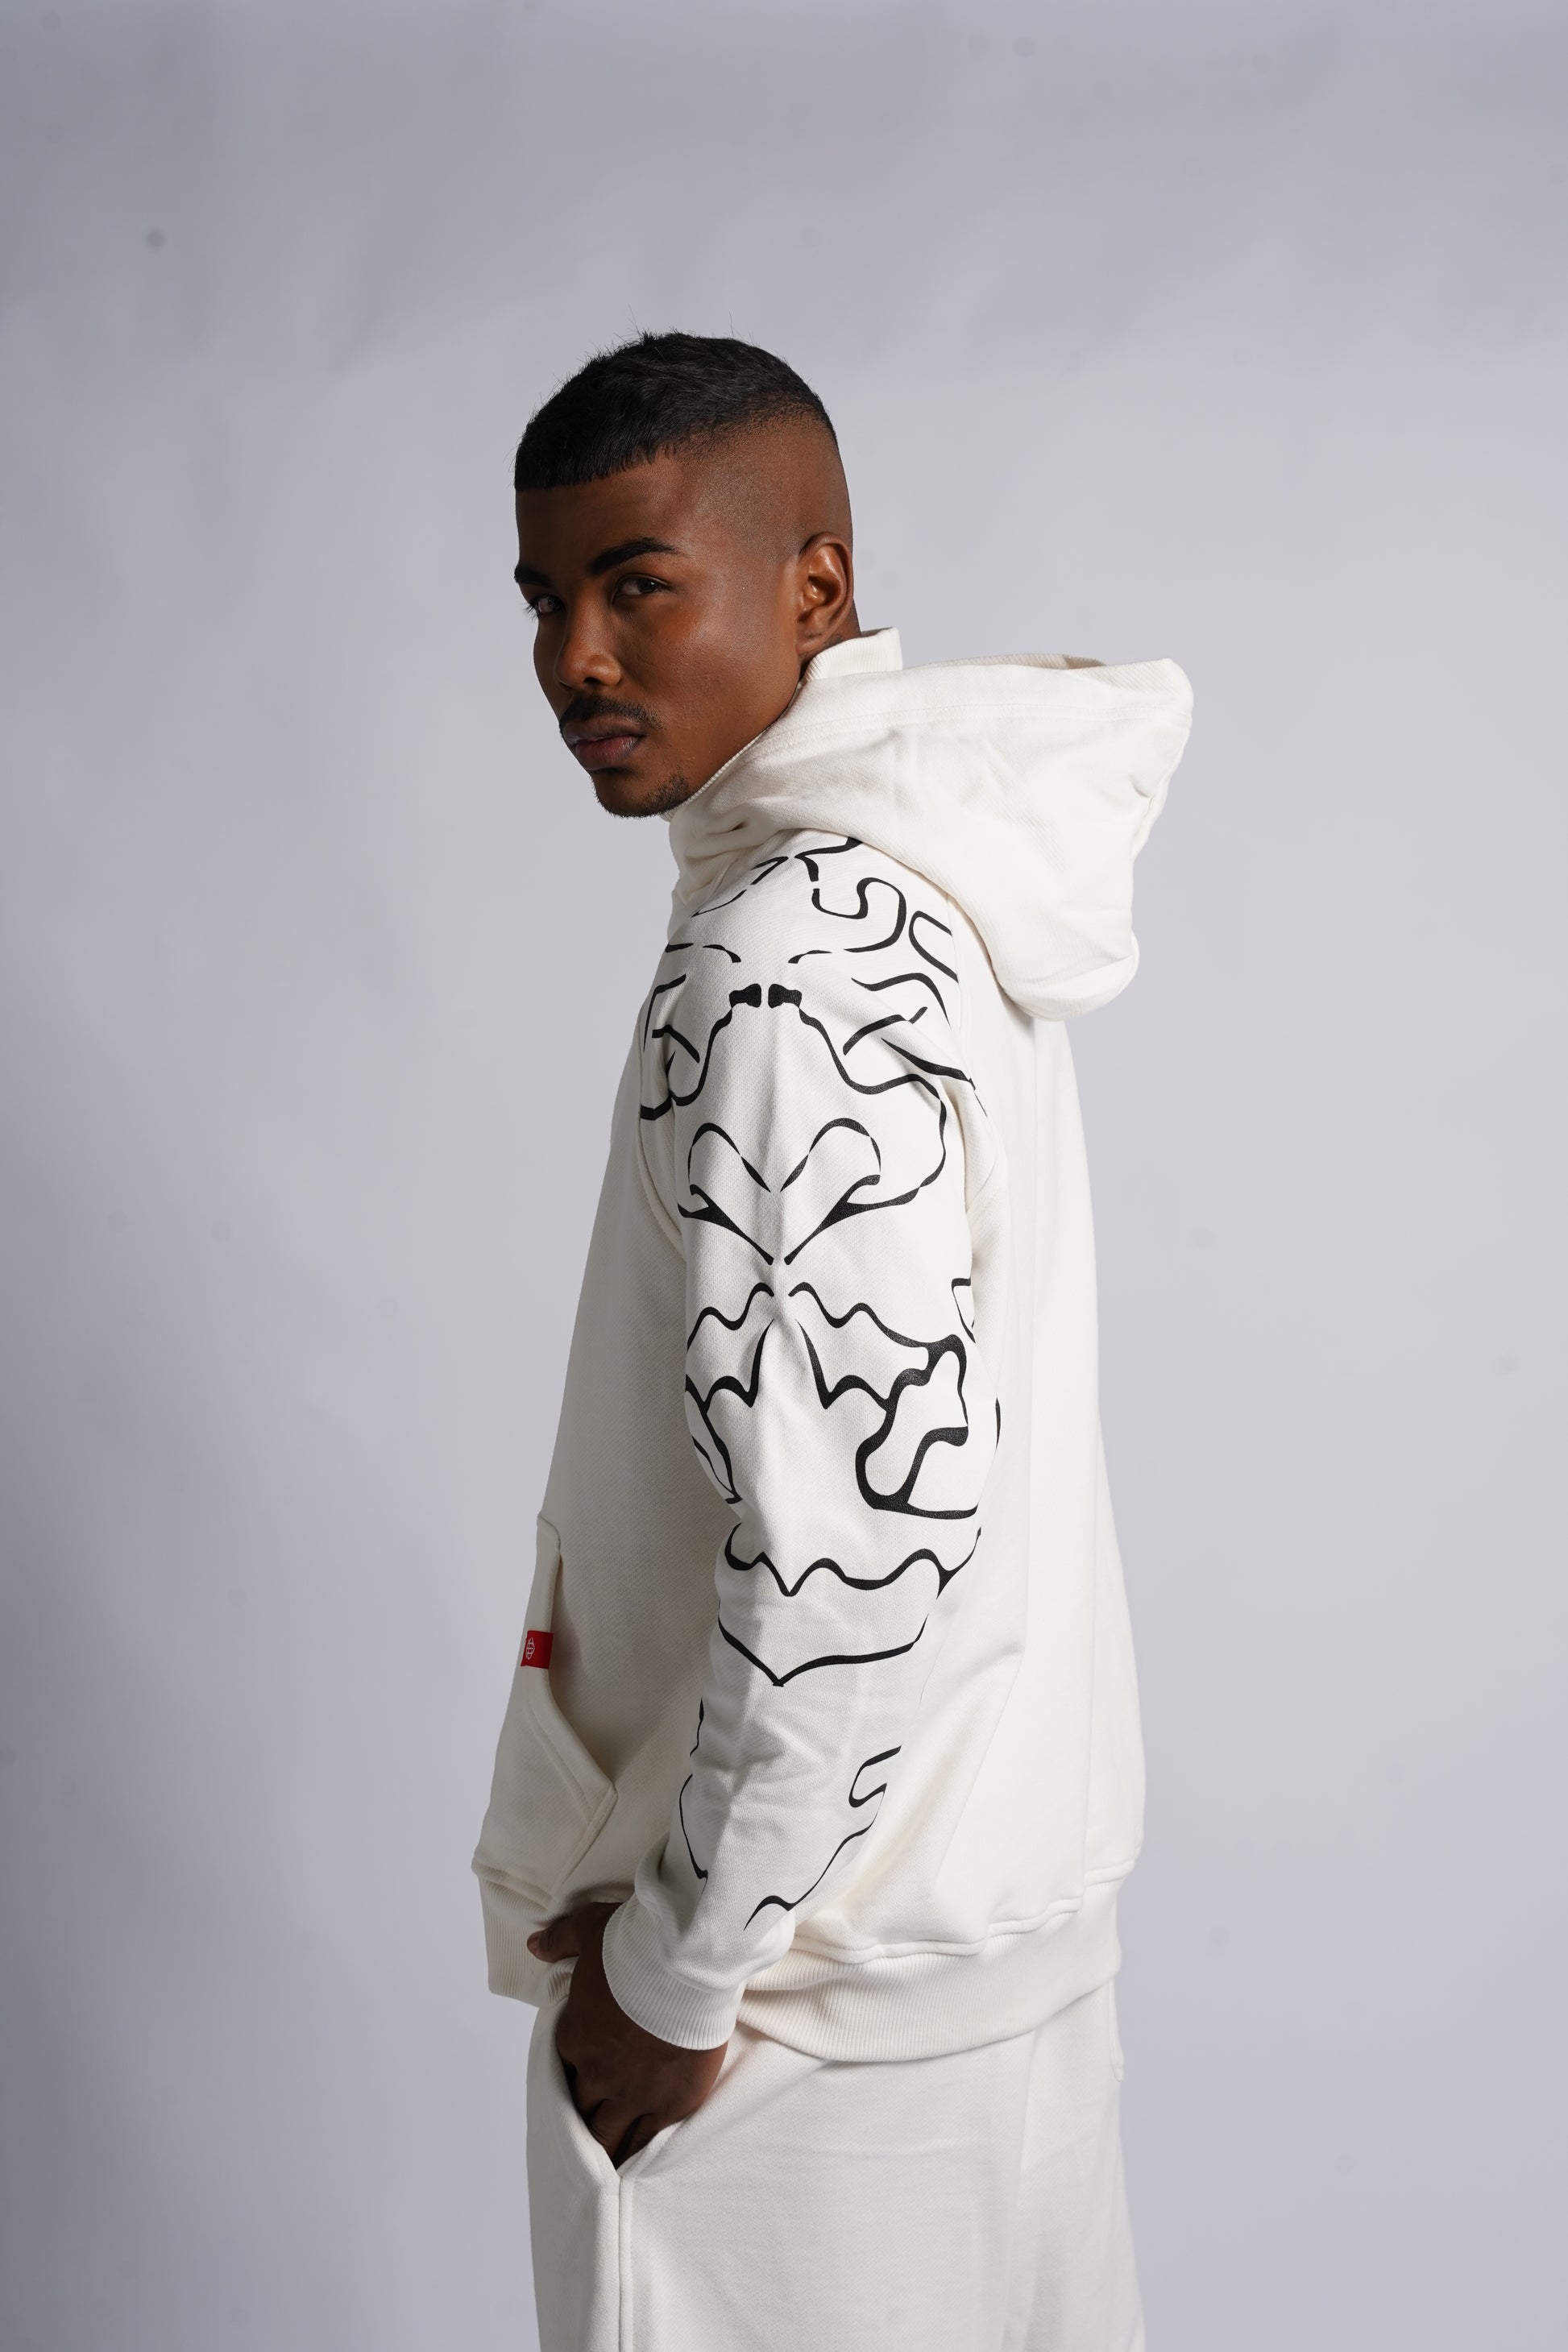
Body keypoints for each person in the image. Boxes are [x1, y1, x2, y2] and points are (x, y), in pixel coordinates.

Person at [473, 331, 1192, 2352]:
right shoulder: (934, 892)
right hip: (990, 1983)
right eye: (544, 598)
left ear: (814, 585)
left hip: (794, 2045)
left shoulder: (785, 959)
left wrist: (679, 1973)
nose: (575, 658)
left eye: (637, 584)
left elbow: (860, 1547)